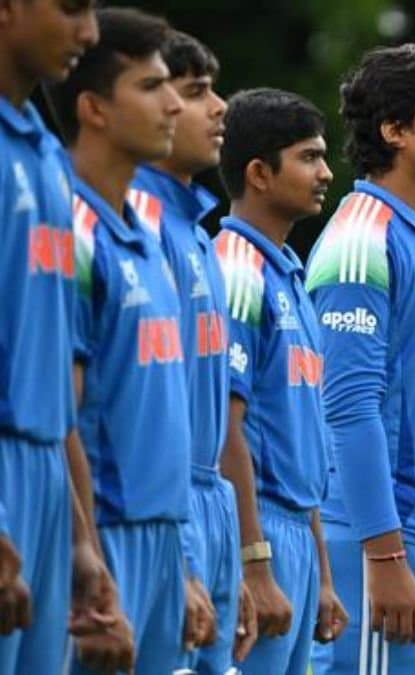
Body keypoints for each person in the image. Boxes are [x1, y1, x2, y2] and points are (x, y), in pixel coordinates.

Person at [307, 44, 415, 674]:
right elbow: (348, 409)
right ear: (395, 131)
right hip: (394, 542)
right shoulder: (360, 241)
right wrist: (383, 554)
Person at [50, 8, 189, 673]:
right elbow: (59, 411)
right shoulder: (71, 229)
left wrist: (184, 562)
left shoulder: (148, 234)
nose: (173, 104)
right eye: (151, 86)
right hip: (104, 532)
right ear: (94, 109)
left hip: (164, 536)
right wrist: (88, 554)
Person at [124, 29, 259, 673]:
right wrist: (179, 557)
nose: (218, 107)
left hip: (210, 505)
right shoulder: (139, 224)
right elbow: (145, 412)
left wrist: (236, 555)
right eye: (196, 90)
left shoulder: (196, 233)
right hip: (162, 511)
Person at [0, 1, 122, 673]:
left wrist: (79, 537)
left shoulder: (47, 155)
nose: (90, 33)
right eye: (72, 7)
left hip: (46, 480)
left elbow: (52, 378)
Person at [214, 87, 346, 675]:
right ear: (259, 174)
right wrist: (254, 563)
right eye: (309, 157)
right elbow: (225, 427)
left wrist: (323, 574)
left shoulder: (288, 275)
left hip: (297, 532)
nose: (326, 173)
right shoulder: (236, 272)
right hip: (257, 526)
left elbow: (304, 444)